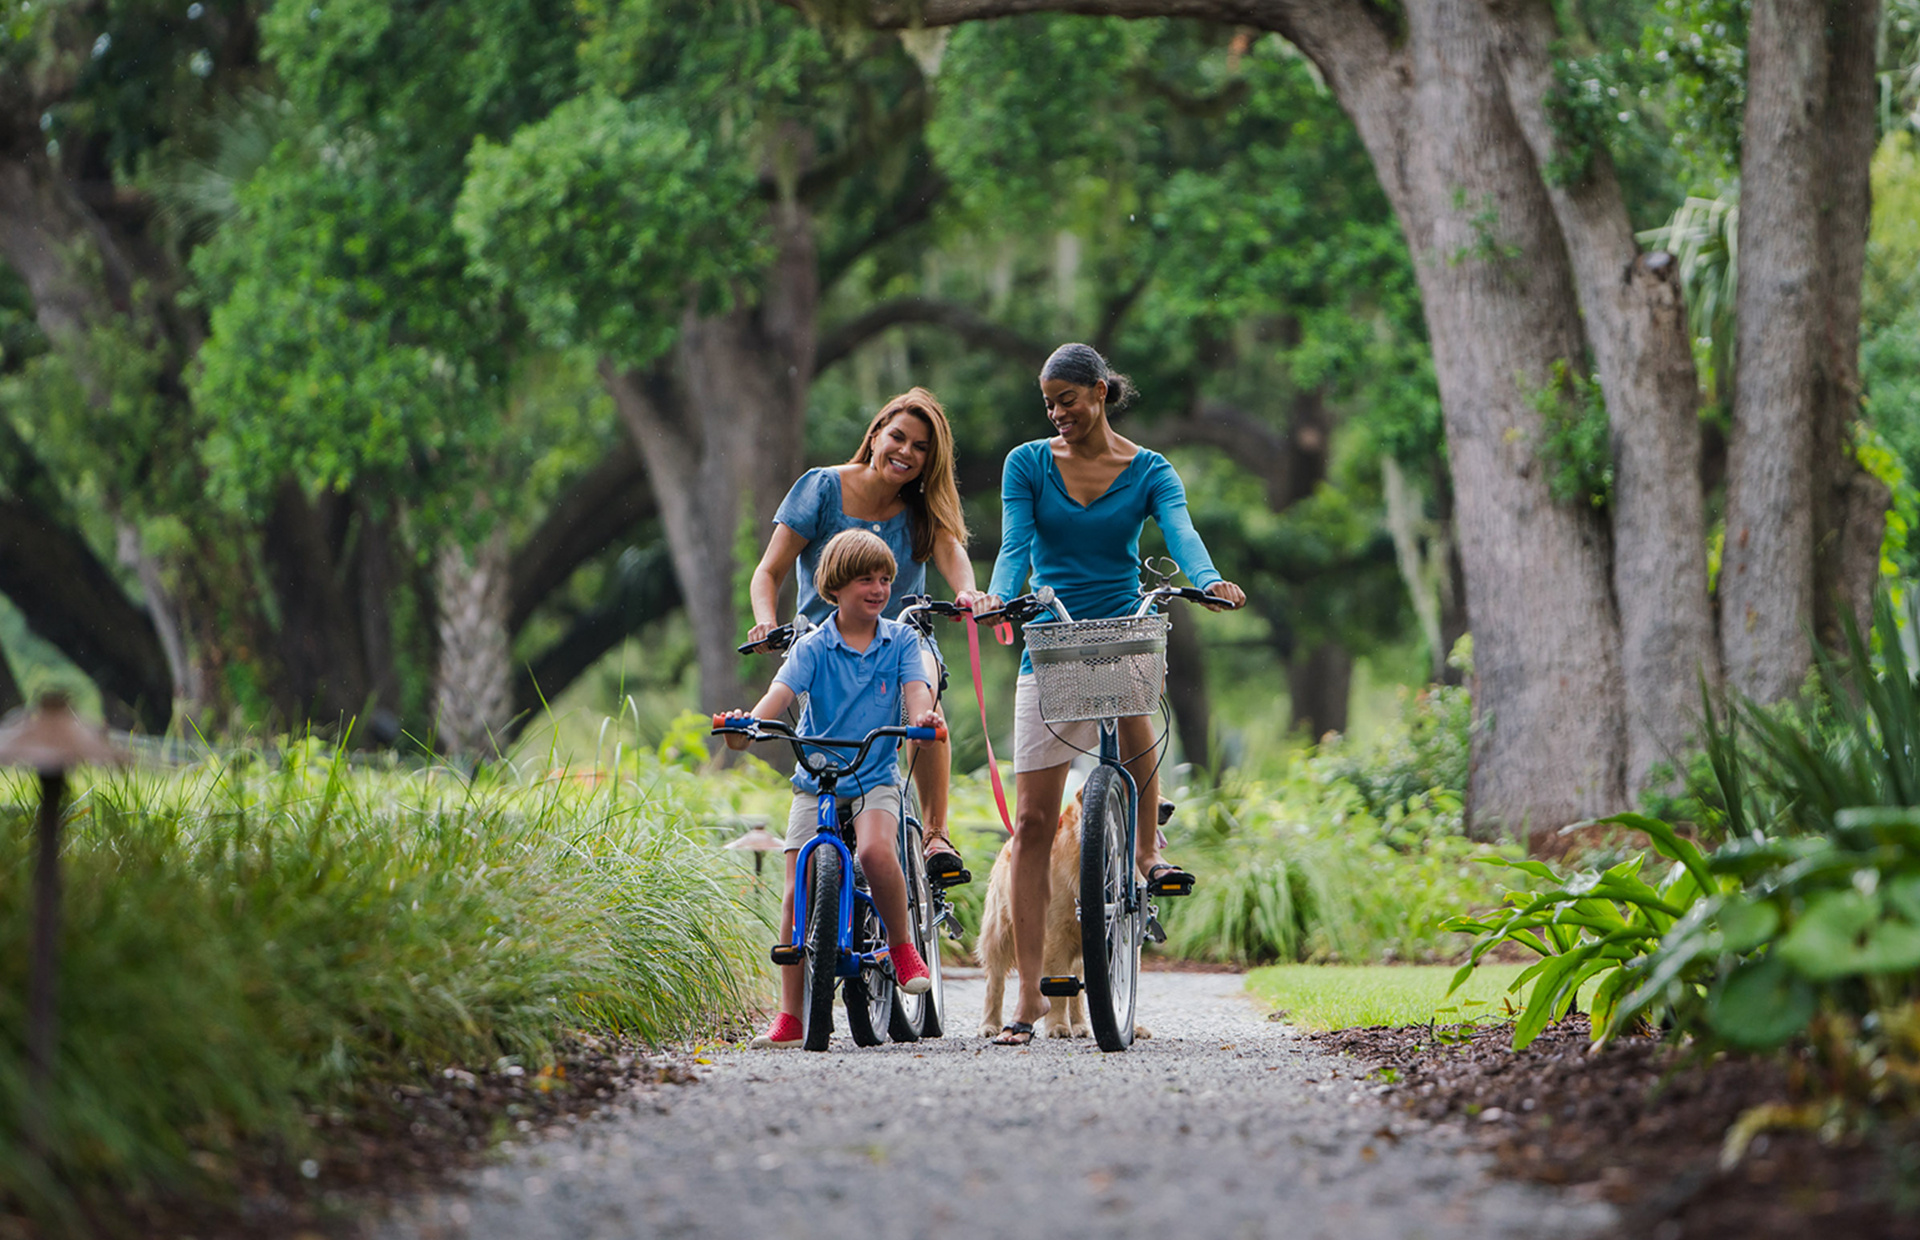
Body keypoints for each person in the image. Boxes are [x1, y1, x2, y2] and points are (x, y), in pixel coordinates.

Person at [981, 343, 1246, 1046]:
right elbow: (1015, 545)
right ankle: (1033, 997)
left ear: (1100, 392)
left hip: (1121, 627)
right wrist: (1003, 598)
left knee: (1138, 678)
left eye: (1067, 399)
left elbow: (1181, 533)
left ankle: (1146, 846)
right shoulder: (1027, 464)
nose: (1057, 413)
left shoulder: (1150, 469)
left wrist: (1209, 578)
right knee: (1033, 823)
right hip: (1053, 638)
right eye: (1049, 403)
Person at [746, 388, 988, 885]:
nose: (906, 452)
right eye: (898, 437)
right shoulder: (821, 489)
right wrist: (767, 621)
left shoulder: (922, 508)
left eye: (921, 447)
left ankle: (935, 834)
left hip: (899, 646)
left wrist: (968, 592)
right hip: (825, 644)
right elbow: (768, 571)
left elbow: (951, 552)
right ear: (875, 434)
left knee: (925, 701)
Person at [727, 530, 945, 1049]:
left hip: (873, 776)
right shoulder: (813, 647)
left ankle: (900, 946)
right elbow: (777, 697)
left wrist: (924, 717)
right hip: (816, 781)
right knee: (794, 887)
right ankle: (791, 1016)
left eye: (886, 579)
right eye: (866, 579)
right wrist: (748, 726)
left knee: (873, 850)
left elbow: (918, 695)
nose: (878, 588)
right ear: (835, 588)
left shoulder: (901, 641)